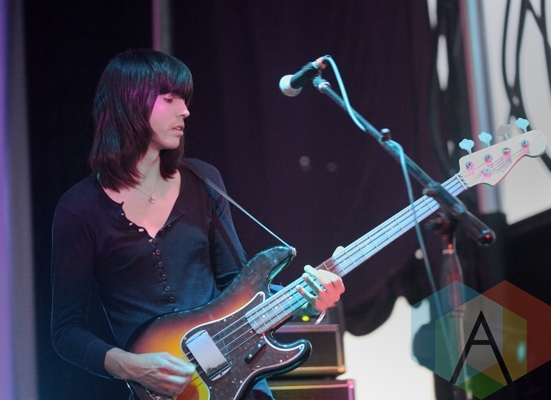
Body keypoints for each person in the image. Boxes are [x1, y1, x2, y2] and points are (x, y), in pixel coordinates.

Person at [51, 48, 345, 399]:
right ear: (130, 102)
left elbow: (239, 288)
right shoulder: (79, 209)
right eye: (170, 99)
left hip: (239, 381)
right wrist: (131, 366)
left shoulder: (203, 181)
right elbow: (66, 331)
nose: (185, 110)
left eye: (184, 100)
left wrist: (307, 302)